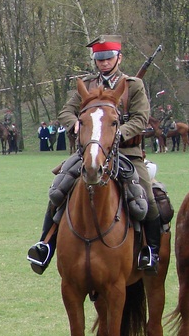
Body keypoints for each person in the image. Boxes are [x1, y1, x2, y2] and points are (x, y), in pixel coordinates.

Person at [27, 35, 159, 274]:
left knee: (147, 196)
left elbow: (141, 118)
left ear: (119, 57)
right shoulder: (87, 85)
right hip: (89, 150)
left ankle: (151, 251)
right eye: (100, 59)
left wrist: (119, 133)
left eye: (108, 58)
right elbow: (67, 111)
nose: (104, 63)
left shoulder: (133, 85)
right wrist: (76, 124)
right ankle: (45, 246)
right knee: (58, 188)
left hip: (126, 151)